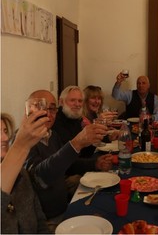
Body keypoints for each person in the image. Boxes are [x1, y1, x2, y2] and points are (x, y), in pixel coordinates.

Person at [24, 89, 111, 232]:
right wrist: (76, 143)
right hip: (47, 220)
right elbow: (40, 177)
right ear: (29, 109)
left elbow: (68, 165)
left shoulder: (52, 135)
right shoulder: (24, 141)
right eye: (41, 108)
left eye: (52, 108)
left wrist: (95, 163)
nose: (48, 114)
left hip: (66, 204)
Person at [1, 112, 50, 234]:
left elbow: (40, 222)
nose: (5, 138)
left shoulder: (22, 174)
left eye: (5, 131)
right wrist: (21, 145)